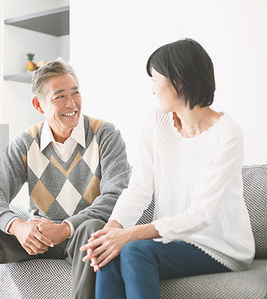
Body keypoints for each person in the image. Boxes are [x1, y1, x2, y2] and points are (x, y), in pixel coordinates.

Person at [81, 38, 255, 299]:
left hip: (221, 245)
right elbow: (139, 188)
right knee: (108, 252)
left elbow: (201, 215)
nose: (152, 90)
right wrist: (112, 230)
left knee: (134, 249)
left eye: (155, 80)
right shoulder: (156, 121)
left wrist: (129, 235)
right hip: (173, 240)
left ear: (178, 81)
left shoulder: (227, 133)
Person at [0, 59, 131, 299]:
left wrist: (66, 228)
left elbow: (117, 195)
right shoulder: (26, 142)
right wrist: (18, 226)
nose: (71, 103)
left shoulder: (106, 135)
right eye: (59, 97)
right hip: (37, 238)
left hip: (78, 235)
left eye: (75, 93)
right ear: (39, 104)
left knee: (94, 230)